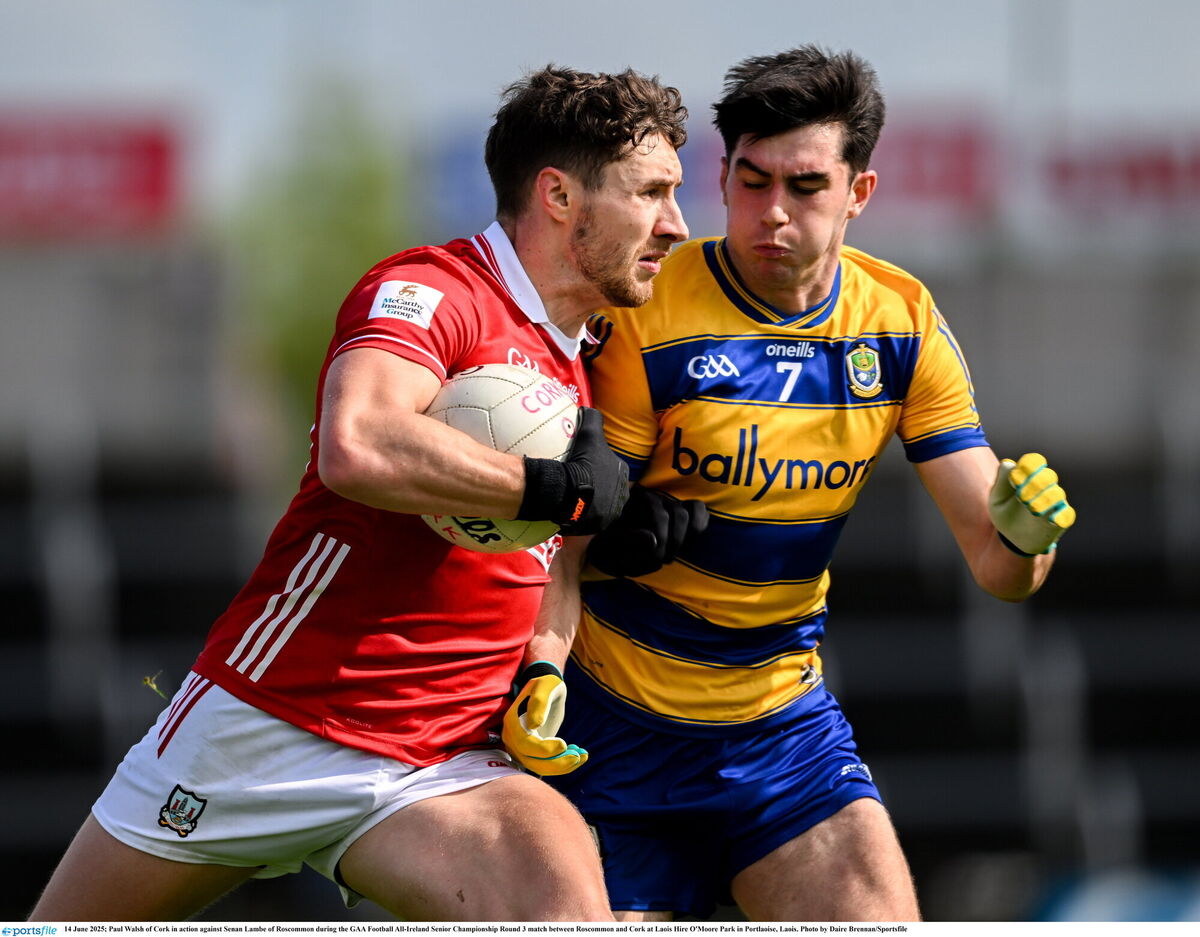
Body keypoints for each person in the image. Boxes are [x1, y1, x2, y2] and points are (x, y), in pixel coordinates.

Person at [28, 64, 689, 922]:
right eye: (653, 192)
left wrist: (544, 661)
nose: (676, 223)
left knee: (559, 890)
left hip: (442, 762)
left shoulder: (590, 351)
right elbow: (359, 442)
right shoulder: (432, 290)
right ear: (560, 195)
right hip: (271, 724)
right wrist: (555, 488)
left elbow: (551, 551)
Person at [513, 46, 1076, 921]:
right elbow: (567, 545)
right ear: (724, 173)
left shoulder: (901, 324)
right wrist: (540, 671)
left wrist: (1027, 536)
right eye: (751, 179)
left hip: (783, 731)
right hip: (614, 731)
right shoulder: (646, 309)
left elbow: (998, 571)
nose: (772, 212)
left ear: (859, 193)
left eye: (806, 186)